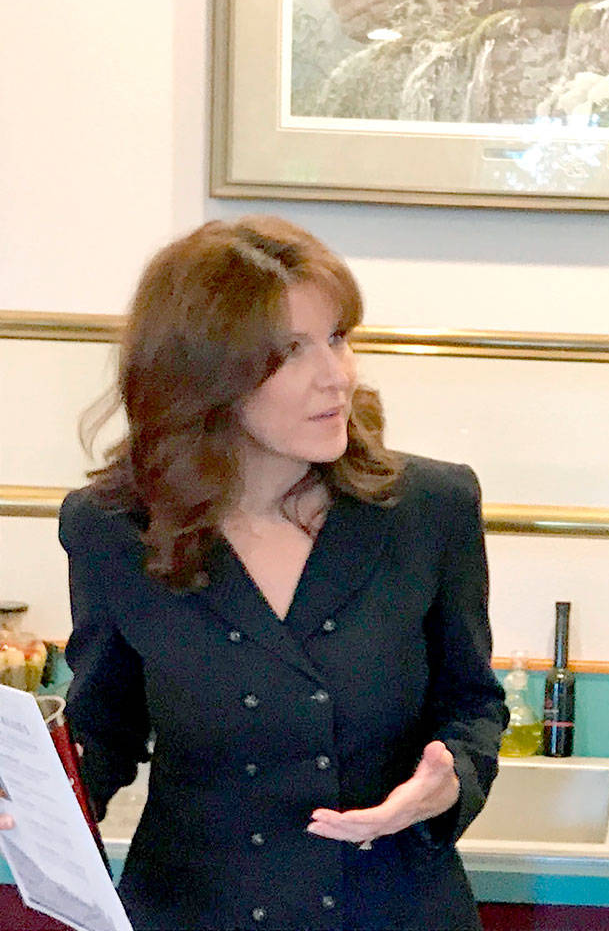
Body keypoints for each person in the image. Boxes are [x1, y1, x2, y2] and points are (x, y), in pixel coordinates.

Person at [26, 216, 505, 929]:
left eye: (338, 338)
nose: (336, 375)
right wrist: (33, 802)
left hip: (394, 909)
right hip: (194, 912)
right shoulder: (112, 528)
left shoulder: (430, 509)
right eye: (290, 352)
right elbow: (105, 726)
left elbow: (471, 705)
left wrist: (449, 782)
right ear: (201, 375)